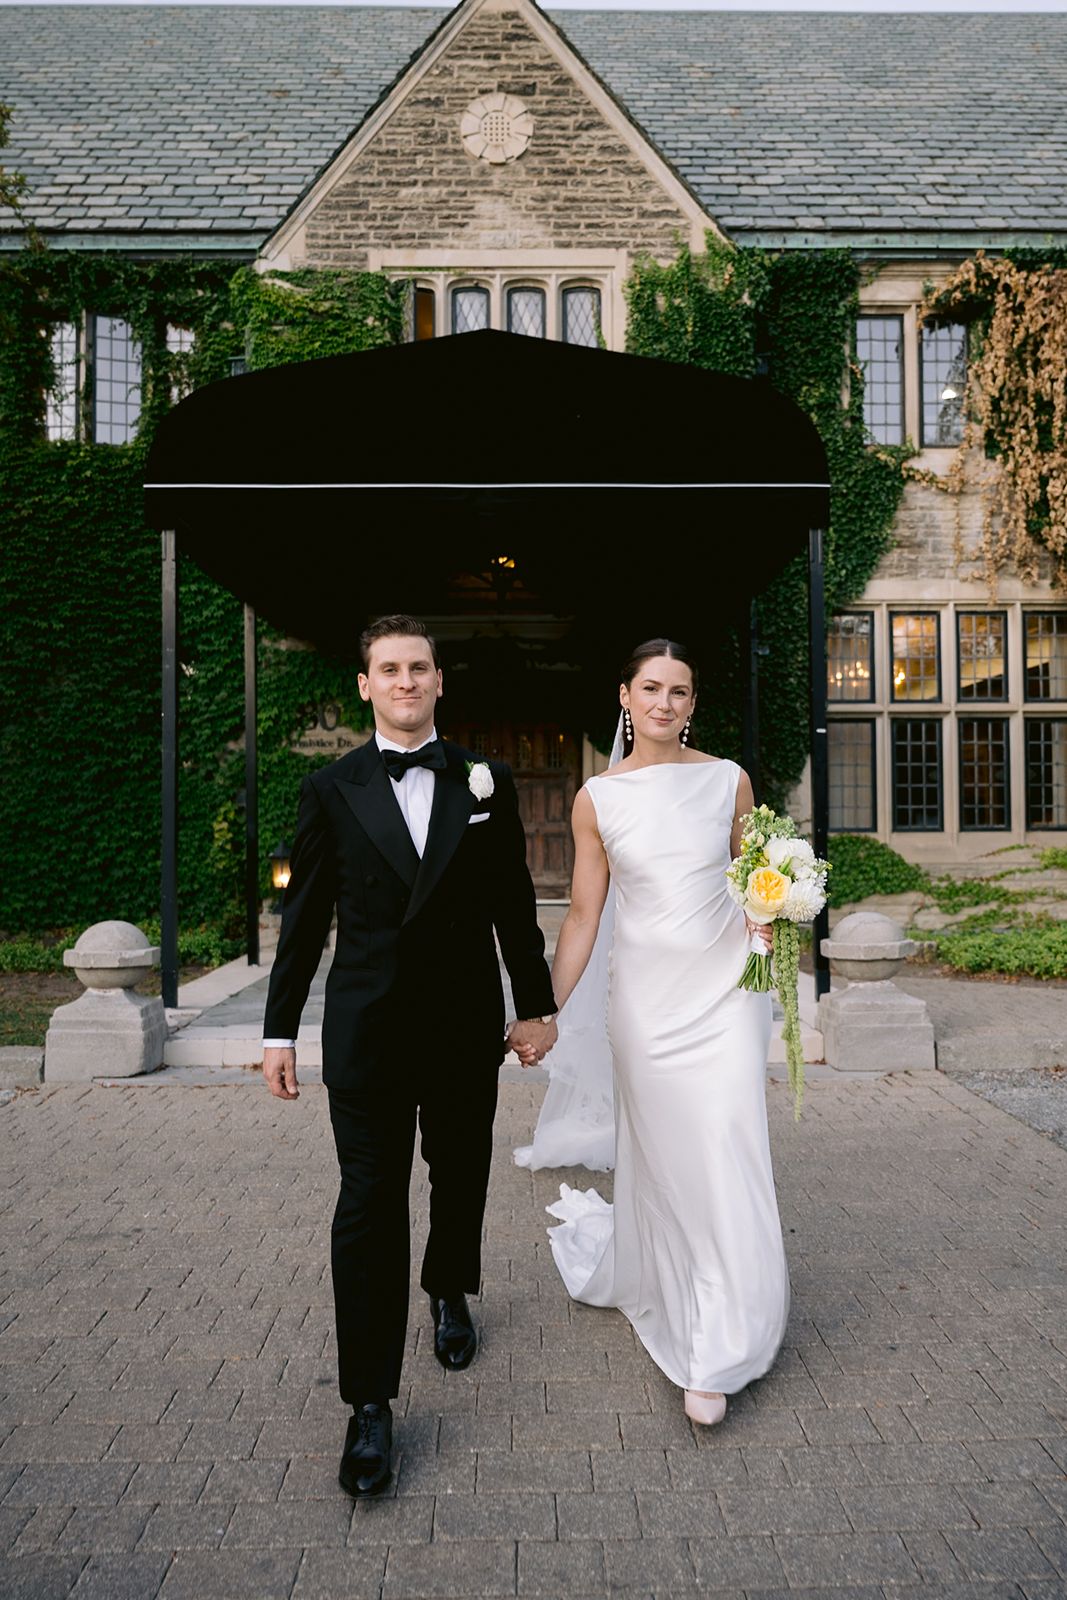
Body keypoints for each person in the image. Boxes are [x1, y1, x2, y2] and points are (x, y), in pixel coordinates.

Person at [261, 615, 557, 1497]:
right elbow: (304, 921)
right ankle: (368, 1406)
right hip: (368, 1032)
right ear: (365, 685)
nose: (403, 681)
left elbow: (512, 902)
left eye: (417, 668)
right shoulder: (331, 787)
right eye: (387, 669)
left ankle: (449, 1286)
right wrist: (279, 1031)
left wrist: (534, 1006)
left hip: (465, 1024)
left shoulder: (484, 780)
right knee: (367, 1204)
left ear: (437, 680)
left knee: (460, 1171)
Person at [523, 638, 789, 1427]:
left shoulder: (728, 781)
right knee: (672, 1158)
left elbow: (754, 878)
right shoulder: (597, 798)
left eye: (679, 690)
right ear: (624, 697)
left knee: (726, 1140)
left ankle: (720, 1337)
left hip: (724, 997)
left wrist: (764, 933)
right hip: (645, 1004)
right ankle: (677, 1293)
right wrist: (546, 1010)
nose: (665, 703)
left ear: (692, 702)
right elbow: (582, 913)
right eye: (650, 688)